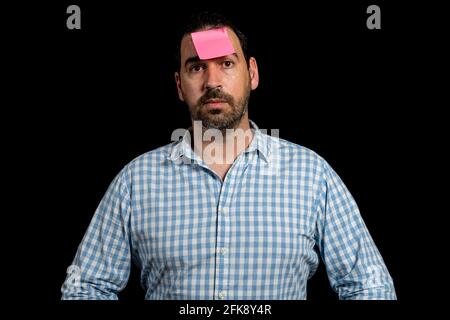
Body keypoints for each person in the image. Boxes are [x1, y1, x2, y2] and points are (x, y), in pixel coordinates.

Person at [61, 12, 396, 300]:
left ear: (252, 74)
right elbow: (86, 286)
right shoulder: (136, 180)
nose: (212, 82)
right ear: (179, 85)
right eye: (196, 68)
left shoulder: (312, 176)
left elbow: (370, 285)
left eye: (226, 64)